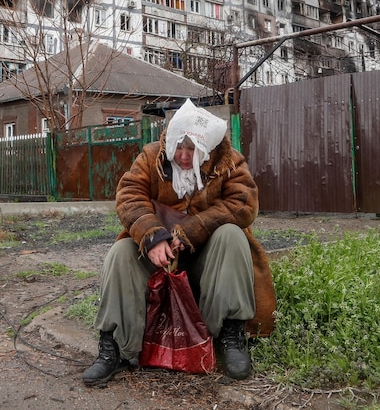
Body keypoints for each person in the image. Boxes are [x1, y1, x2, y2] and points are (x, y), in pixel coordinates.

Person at [82, 99, 276, 386]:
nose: (185, 157)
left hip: (206, 261)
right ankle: (116, 348)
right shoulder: (151, 157)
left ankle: (229, 336)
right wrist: (153, 236)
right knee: (121, 253)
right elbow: (129, 196)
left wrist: (191, 230)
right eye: (180, 148)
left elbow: (243, 204)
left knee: (233, 236)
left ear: (207, 148)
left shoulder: (229, 161)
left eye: (193, 150)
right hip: (159, 259)